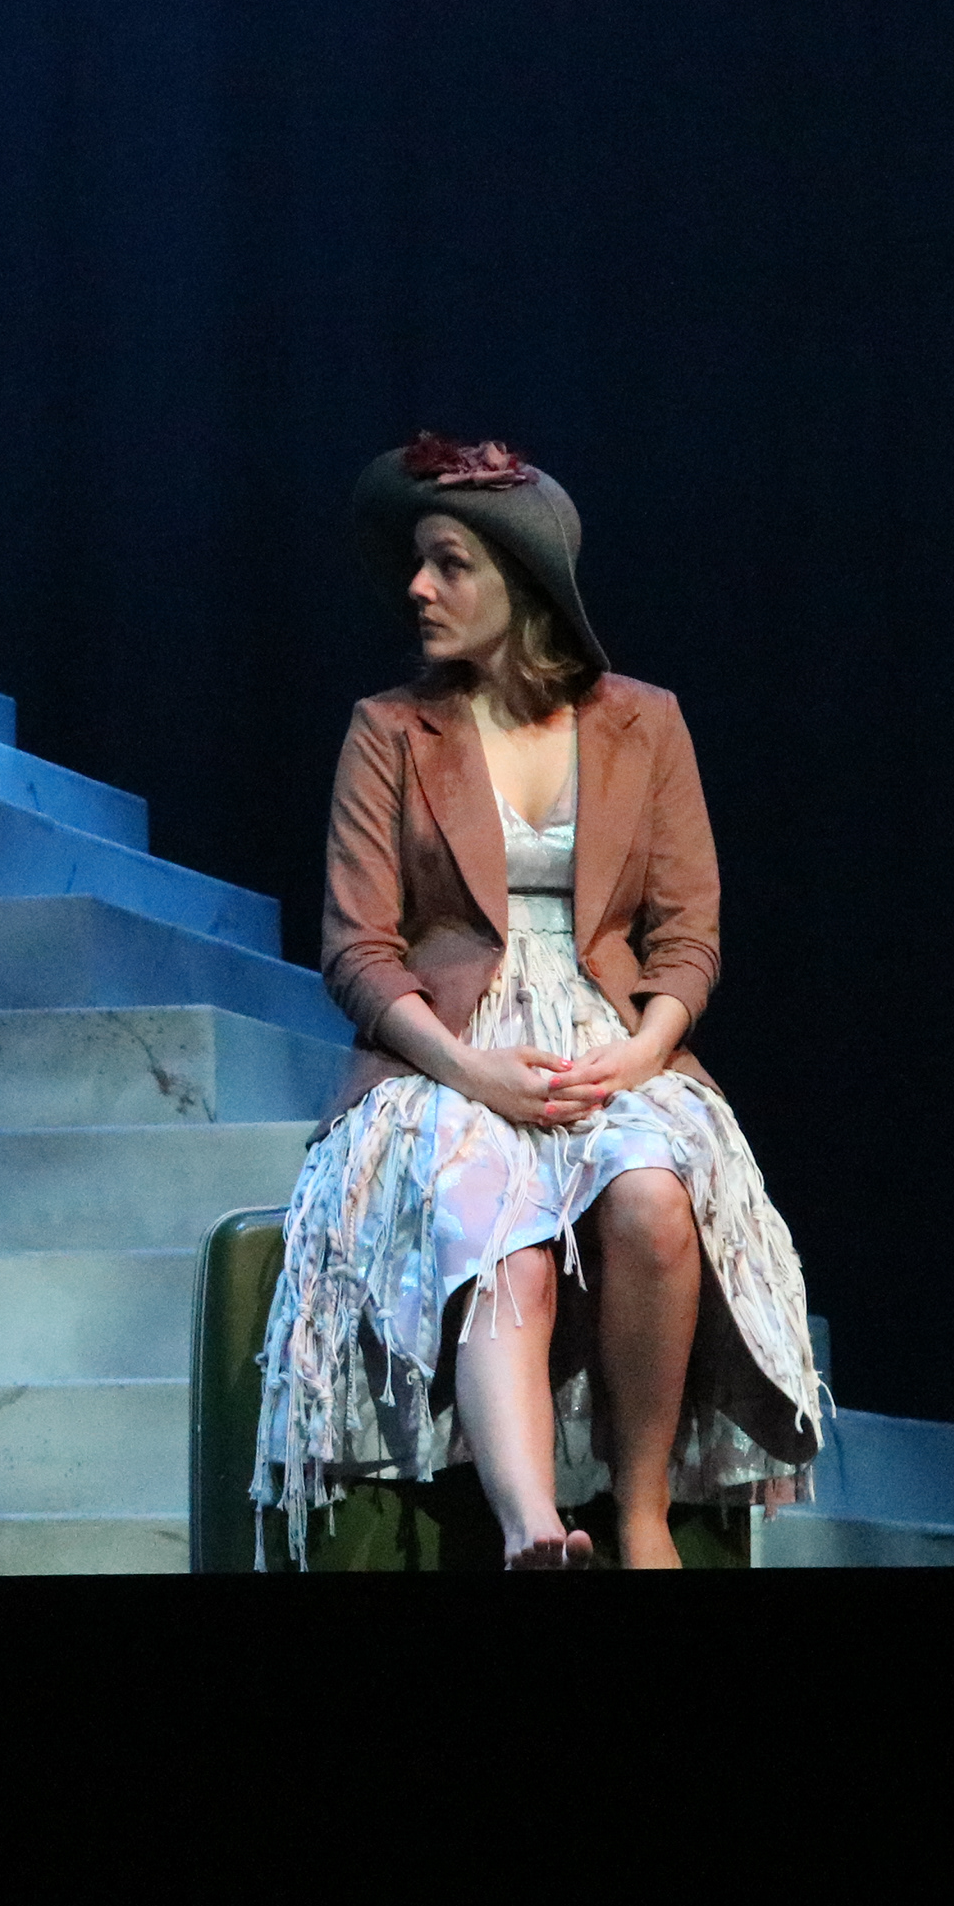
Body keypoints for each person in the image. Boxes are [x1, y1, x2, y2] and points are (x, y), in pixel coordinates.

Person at [254, 435, 823, 1568]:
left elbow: (688, 936)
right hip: (445, 1050)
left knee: (654, 1199)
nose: (420, 589)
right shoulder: (390, 729)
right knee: (500, 1229)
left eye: (450, 564)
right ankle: (533, 1533)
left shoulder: (644, 723)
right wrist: (471, 1071)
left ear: (523, 582)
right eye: (419, 564)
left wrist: (644, 1051)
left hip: (607, 1041)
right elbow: (358, 950)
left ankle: (642, 1512)